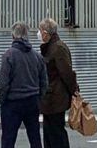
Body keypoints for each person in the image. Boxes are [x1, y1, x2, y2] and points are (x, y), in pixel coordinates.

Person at [0, 22, 47, 148]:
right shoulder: (37, 56)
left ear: (13, 36)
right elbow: (44, 82)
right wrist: (39, 98)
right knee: (35, 138)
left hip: (12, 103)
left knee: (8, 139)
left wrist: (3, 100)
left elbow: (3, 83)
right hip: (32, 101)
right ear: (27, 36)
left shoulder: (8, 55)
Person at [38, 18, 79, 148]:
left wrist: (75, 91)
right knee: (50, 133)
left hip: (56, 98)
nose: (38, 34)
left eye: (39, 30)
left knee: (56, 134)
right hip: (50, 98)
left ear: (45, 33)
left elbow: (67, 73)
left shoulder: (58, 48)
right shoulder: (50, 46)